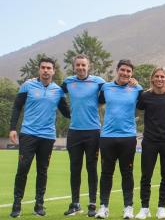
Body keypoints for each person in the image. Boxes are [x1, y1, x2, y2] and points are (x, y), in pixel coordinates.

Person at [9, 57, 70, 218]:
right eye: (43, 67)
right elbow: (16, 106)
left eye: (49, 68)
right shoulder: (28, 85)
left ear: (53, 71)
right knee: (23, 169)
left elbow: (67, 112)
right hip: (28, 134)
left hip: (47, 137)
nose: (45, 70)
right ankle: (16, 205)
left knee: (42, 171)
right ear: (39, 69)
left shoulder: (58, 91)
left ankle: (39, 205)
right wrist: (12, 128)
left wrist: (84, 104)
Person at [95, 59, 143, 219]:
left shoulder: (137, 89)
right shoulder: (106, 87)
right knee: (106, 173)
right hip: (107, 137)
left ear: (132, 74)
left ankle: (128, 208)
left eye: (129, 71)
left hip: (128, 137)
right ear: (117, 70)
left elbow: (149, 101)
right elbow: (98, 103)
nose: (125, 73)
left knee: (127, 173)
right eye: (123, 70)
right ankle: (103, 207)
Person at [135, 67, 165, 219]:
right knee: (145, 176)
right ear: (152, 79)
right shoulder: (145, 96)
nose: (160, 79)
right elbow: (138, 110)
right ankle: (144, 208)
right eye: (157, 76)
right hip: (149, 142)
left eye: (162, 77)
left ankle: (161, 208)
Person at [62, 54, 105, 217]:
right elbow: (55, 94)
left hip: (93, 131)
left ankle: (92, 204)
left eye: (83, 65)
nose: (80, 67)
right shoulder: (68, 82)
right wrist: (67, 114)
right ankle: (75, 204)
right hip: (74, 132)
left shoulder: (98, 82)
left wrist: (131, 82)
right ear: (74, 66)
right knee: (75, 168)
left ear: (89, 66)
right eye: (78, 65)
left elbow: (114, 89)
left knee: (92, 168)